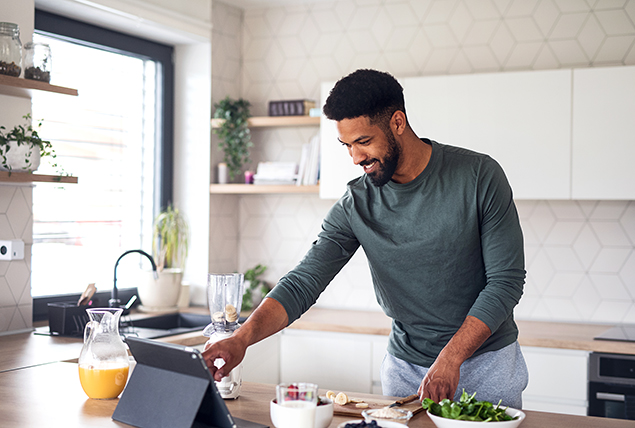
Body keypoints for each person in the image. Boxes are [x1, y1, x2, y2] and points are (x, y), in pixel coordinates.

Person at [203, 69, 528, 408]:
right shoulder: (357, 203)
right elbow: (303, 283)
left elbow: (505, 281)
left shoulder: (478, 176)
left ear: (398, 123)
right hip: (407, 369)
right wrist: (241, 339)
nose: (356, 158)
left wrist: (451, 357)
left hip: (486, 364)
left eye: (363, 142)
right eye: (346, 145)